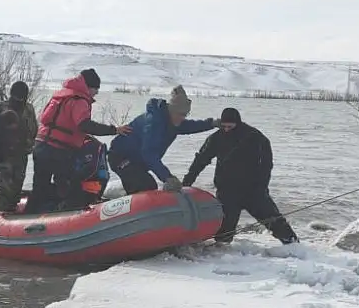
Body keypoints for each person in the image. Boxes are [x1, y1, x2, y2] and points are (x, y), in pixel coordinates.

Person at [182, 108, 299, 245]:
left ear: (238, 123)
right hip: (227, 190)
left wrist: (262, 185)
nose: (226, 130)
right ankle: (223, 250)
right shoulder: (216, 138)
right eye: (223, 126)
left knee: (273, 219)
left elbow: (266, 165)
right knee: (224, 231)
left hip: (254, 190)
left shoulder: (255, 137)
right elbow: (200, 160)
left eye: (230, 127)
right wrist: (188, 181)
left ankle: (293, 245)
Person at [24, 69, 131, 214]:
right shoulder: (80, 100)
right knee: (68, 187)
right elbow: (84, 125)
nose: (95, 94)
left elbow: (56, 121)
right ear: (89, 87)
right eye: (96, 90)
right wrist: (114, 130)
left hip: (41, 145)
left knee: (40, 186)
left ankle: (28, 216)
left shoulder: (62, 95)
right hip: (58, 150)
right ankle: (64, 217)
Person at [108, 85, 219, 194]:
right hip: (120, 157)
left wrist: (212, 123)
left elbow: (191, 126)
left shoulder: (174, 122)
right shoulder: (154, 123)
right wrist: (167, 177)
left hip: (138, 160)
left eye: (185, 115)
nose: (182, 118)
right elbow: (148, 152)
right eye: (180, 114)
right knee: (145, 184)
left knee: (147, 184)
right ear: (171, 110)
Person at [0, 81, 38, 212]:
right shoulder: (1, 109)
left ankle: (12, 208)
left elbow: (34, 128)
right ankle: (1, 211)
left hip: (22, 154)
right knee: (5, 188)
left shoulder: (29, 109)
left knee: (17, 186)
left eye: (21, 98)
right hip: (5, 156)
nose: (19, 101)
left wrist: (30, 143)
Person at [61, 135, 110, 210]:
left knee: (68, 198)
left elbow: (90, 169)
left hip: (91, 186)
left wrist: (70, 181)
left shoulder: (90, 146)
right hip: (83, 185)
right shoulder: (75, 147)